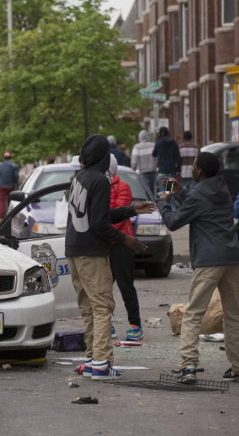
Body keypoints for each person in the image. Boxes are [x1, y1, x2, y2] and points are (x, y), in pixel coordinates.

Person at [66, 135, 154, 381]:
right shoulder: (101, 182)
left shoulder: (79, 179)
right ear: (106, 159)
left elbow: (97, 214)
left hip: (73, 250)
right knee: (103, 307)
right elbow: (99, 223)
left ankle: (92, 359)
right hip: (92, 253)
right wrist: (125, 239)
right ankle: (102, 364)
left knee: (89, 309)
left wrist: (131, 209)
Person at [158, 153, 239, 384]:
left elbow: (174, 221)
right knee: (234, 314)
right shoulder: (222, 189)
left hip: (209, 259)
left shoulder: (198, 194)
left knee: (193, 313)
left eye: (194, 166)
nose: (192, 169)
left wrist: (164, 201)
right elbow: (200, 202)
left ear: (199, 172)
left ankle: (188, 366)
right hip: (233, 258)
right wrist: (182, 191)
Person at [107, 155, 144, 341]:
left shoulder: (123, 187)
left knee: (125, 286)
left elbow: (119, 214)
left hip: (121, 244)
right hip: (105, 244)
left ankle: (135, 325)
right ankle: (108, 324)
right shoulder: (96, 186)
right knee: (104, 289)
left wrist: (103, 233)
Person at [152, 127, 181, 195]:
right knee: (170, 194)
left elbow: (154, 154)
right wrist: (178, 170)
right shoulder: (173, 144)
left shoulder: (158, 144)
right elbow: (178, 159)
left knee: (163, 195)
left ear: (159, 134)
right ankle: (172, 205)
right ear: (168, 133)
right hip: (171, 172)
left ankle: (163, 204)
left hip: (162, 171)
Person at [130, 129, 157, 195]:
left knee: (146, 192)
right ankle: (153, 204)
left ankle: (148, 204)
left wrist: (132, 171)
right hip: (154, 171)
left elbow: (134, 162)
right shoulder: (154, 145)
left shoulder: (137, 147)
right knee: (153, 191)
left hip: (143, 172)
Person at [0, 151, 19, 220]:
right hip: (11, 186)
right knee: (10, 201)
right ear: (10, 157)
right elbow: (16, 177)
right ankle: (10, 216)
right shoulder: (14, 166)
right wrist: (15, 183)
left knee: (2, 201)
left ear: (3, 157)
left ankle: (1, 218)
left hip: (1, 186)